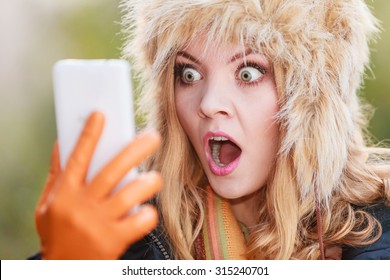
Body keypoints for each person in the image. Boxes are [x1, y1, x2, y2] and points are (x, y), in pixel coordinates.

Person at [32, 0, 390, 260]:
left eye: (248, 73)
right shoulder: (129, 237)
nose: (207, 102)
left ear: (312, 100)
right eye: (189, 74)